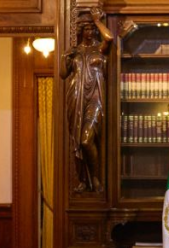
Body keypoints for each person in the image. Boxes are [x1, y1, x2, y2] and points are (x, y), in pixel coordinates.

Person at [60, 7, 112, 193]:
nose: (90, 31)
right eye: (87, 28)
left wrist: (98, 21)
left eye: (92, 28)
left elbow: (110, 38)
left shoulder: (99, 48)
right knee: (76, 139)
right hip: (76, 96)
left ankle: (96, 178)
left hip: (95, 98)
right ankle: (83, 180)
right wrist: (64, 57)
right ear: (81, 31)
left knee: (86, 139)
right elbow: (63, 74)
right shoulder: (74, 52)